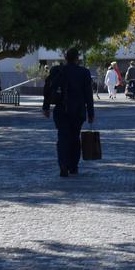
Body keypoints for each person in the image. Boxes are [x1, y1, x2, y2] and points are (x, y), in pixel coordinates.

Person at [42, 48, 95, 177]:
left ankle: (63, 165)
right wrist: (91, 113)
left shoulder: (57, 70)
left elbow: (48, 89)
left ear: (66, 58)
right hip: (77, 111)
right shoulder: (84, 72)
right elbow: (88, 94)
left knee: (62, 138)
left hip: (61, 110)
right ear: (77, 58)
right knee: (75, 138)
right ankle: (73, 166)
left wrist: (46, 107)